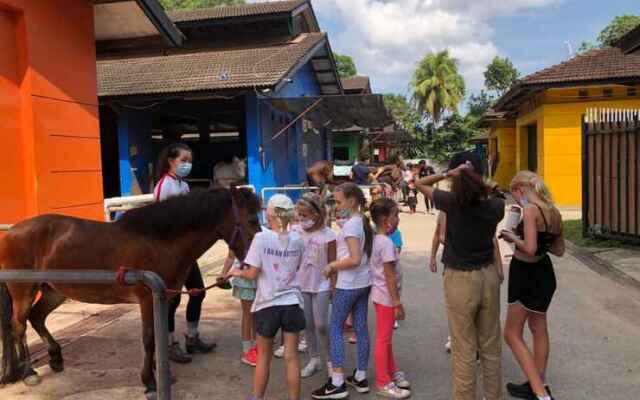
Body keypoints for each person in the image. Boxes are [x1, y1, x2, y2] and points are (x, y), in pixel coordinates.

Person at [416, 151, 505, 400]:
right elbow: (495, 191)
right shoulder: (495, 206)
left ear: (456, 177)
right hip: (488, 276)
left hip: (459, 279)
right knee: (490, 345)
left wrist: (448, 173)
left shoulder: (448, 202)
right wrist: (476, 177)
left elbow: (420, 183)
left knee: (463, 347)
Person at [226, 194, 306, 400]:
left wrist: (235, 272)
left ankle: (257, 397)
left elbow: (252, 273)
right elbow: (296, 268)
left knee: (263, 357)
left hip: (267, 304)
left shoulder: (261, 238)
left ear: (269, 213)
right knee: (291, 357)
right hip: (292, 303)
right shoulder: (298, 239)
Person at [500, 171, 565, 400]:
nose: (515, 199)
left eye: (514, 193)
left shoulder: (529, 210)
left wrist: (511, 237)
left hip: (525, 274)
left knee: (510, 333)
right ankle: (537, 381)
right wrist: (540, 243)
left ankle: (540, 393)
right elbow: (559, 251)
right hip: (545, 275)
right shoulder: (554, 212)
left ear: (520, 189)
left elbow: (528, 248)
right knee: (539, 329)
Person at [154, 143, 216, 364]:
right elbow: (160, 221)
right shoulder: (165, 186)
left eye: (189, 161)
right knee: (171, 300)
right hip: (170, 255)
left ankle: (192, 337)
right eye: (183, 160)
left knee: (197, 292)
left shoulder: (184, 185)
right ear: (171, 161)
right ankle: (170, 344)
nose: (187, 165)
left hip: (188, 253)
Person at [312, 183, 373, 399]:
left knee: (335, 328)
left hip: (349, 284)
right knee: (361, 327)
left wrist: (332, 266)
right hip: (364, 282)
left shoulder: (351, 226)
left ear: (352, 201)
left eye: (339, 202)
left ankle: (337, 381)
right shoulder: (360, 222)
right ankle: (360, 375)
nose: (336, 206)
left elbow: (354, 259)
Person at [369, 198, 411, 399]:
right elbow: (389, 274)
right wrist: (397, 302)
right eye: (396, 215)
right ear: (386, 220)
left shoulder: (378, 240)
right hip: (386, 297)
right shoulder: (384, 243)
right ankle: (383, 382)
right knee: (383, 339)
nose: (398, 219)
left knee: (386, 339)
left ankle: (391, 371)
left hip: (381, 295)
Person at [294, 194, 337, 378]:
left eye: (305, 215)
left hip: (322, 284)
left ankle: (331, 360)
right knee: (307, 323)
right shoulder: (296, 232)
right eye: (299, 215)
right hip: (302, 283)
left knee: (322, 324)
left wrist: (334, 286)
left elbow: (333, 262)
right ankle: (314, 359)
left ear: (316, 214)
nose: (302, 219)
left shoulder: (329, 235)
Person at [219, 249, 257, 366]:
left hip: (261, 279)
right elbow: (231, 256)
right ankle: (247, 350)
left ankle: (257, 346)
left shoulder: (264, 232)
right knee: (248, 314)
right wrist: (223, 273)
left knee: (258, 314)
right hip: (245, 281)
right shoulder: (238, 232)